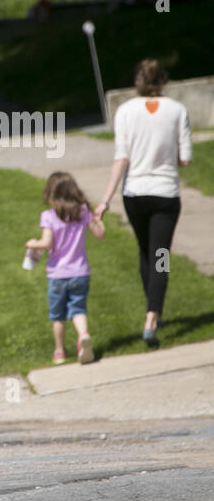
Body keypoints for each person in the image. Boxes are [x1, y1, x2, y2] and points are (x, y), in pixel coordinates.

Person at [96, 58, 193, 346]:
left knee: (145, 251)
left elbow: (121, 158)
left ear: (137, 81)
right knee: (161, 255)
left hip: (134, 195)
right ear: (163, 80)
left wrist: (104, 199)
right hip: (164, 194)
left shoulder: (125, 111)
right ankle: (153, 316)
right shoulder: (177, 110)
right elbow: (185, 159)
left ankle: (152, 309)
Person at [26, 171, 105, 365]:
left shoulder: (48, 216)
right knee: (78, 309)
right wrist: (95, 216)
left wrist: (32, 243)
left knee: (58, 315)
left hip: (57, 275)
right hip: (80, 272)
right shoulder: (83, 212)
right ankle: (83, 334)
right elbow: (100, 234)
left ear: (50, 193)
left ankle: (59, 351)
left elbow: (46, 243)